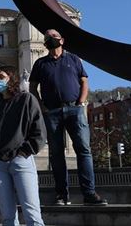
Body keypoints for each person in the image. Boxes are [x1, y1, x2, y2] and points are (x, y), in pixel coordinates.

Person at [29, 29, 108, 206]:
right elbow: (32, 87)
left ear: (62, 40)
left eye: (53, 37)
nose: (50, 39)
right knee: (56, 154)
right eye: (47, 38)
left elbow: (84, 81)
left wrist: (81, 102)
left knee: (84, 151)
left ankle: (89, 194)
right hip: (52, 113)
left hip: (75, 110)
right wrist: (42, 107)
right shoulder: (40, 63)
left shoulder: (73, 59)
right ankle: (62, 195)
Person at [0, 66, 46, 226]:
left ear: (12, 79)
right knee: (8, 218)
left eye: (1, 77)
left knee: (33, 216)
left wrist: (24, 152)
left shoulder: (27, 99)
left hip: (21, 161)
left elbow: (39, 131)